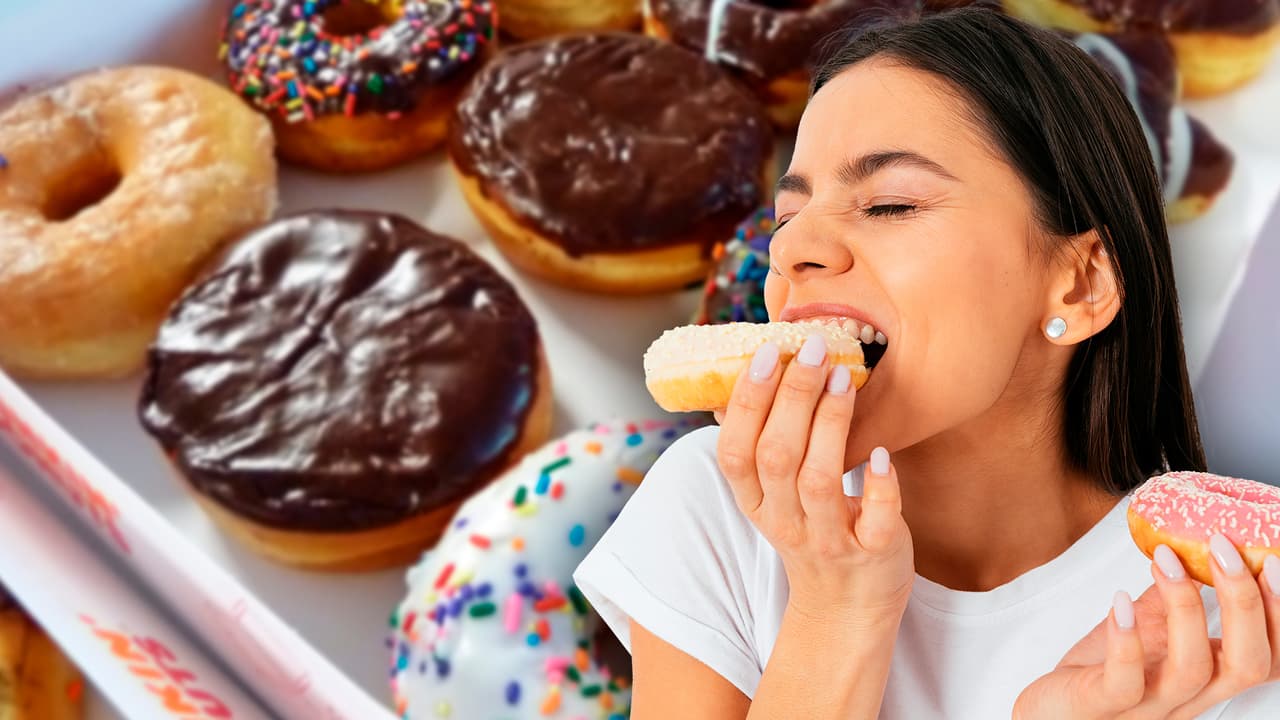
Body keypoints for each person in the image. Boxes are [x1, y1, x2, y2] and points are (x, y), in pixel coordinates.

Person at [573, 7, 1280, 718]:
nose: (788, 252)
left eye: (889, 204)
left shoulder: (1219, 618)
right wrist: (837, 606)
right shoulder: (719, 509)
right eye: (788, 218)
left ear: (1081, 282)